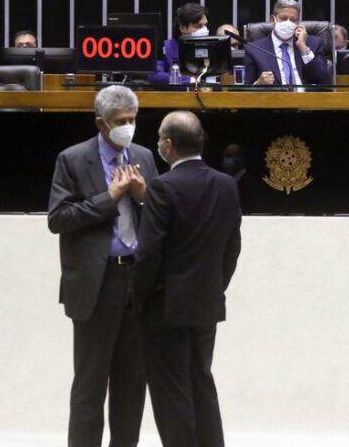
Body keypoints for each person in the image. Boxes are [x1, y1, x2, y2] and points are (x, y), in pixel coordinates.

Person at [47, 85, 158, 447]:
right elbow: (58, 218)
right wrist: (108, 199)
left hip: (138, 280)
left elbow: (162, 220)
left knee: (131, 387)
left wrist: (144, 199)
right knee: (90, 387)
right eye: (120, 121)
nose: (128, 126)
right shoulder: (73, 159)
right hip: (97, 281)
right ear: (101, 123)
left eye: (132, 119)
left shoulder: (143, 155)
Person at [134, 111, 242, 447]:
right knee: (201, 387)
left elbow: (148, 253)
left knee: (172, 395)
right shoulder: (227, 185)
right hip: (206, 304)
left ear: (168, 145)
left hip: (165, 307)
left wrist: (139, 299)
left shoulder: (163, 188)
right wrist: (214, 286)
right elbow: (232, 249)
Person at [243, 0, 332, 86]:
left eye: (293, 20)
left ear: (298, 23)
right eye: (283, 18)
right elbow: (244, 91)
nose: (288, 23)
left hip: (306, 98)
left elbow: (326, 82)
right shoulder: (254, 49)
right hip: (273, 99)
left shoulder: (313, 44)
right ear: (272, 20)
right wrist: (258, 84)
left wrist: (303, 48)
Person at [150, 3, 210, 84]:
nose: (204, 30)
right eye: (198, 26)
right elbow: (155, 75)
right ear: (182, 28)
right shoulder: (165, 47)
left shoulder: (212, 47)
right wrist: (189, 80)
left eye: (205, 25)